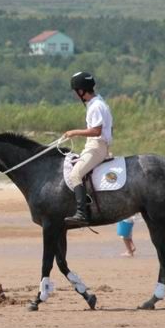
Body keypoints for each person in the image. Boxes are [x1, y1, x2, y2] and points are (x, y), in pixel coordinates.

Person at [64, 71, 113, 226]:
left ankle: (81, 213)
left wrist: (74, 132)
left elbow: (96, 131)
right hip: (95, 145)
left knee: (75, 175)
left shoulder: (96, 106)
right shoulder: (97, 103)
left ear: (81, 91)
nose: (75, 94)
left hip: (97, 146)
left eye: (75, 91)